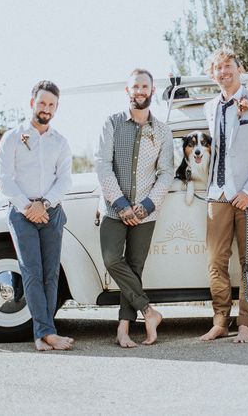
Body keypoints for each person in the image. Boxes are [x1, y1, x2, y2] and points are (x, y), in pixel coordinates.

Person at [201, 47, 248, 343]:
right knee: (215, 260)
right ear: (213, 74)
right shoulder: (209, 107)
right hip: (216, 194)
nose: (223, 72)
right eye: (217, 68)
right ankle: (220, 319)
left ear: (239, 68)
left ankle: (246, 322)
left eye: (228, 66)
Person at [95, 68, 174, 347]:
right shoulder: (113, 123)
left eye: (144, 87)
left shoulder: (163, 131)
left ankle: (123, 329)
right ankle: (149, 312)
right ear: (127, 91)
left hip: (146, 211)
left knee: (135, 267)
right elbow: (103, 165)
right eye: (135, 87)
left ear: (152, 91)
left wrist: (146, 205)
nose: (140, 91)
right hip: (113, 209)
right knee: (112, 260)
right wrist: (121, 204)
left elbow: (166, 173)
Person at [0, 81, 73, 351]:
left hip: (52, 213)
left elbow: (64, 180)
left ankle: (44, 333)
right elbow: (4, 179)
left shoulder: (60, 142)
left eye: (51, 105)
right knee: (31, 271)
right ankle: (45, 334)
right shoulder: (13, 137)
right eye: (42, 103)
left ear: (56, 108)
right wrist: (28, 207)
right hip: (21, 214)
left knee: (51, 273)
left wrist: (45, 204)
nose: (46, 109)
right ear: (32, 103)